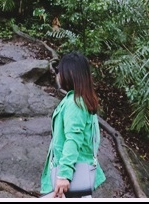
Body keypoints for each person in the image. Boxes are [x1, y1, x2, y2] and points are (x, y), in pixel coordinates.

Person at [40, 52, 106, 198]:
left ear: (70, 73)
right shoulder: (81, 100)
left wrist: (64, 175)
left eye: (60, 71)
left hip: (72, 177)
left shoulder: (75, 104)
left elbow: (73, 140)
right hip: (77, 175)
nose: (58, 75)